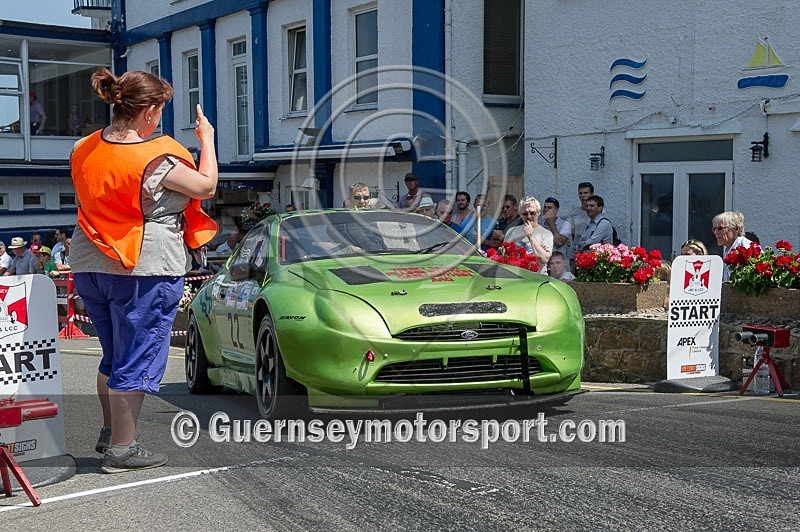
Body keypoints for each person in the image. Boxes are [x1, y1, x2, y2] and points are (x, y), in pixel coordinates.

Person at [70, 67, 218, 474]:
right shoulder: (157, 157)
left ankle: (109, 432)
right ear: (149, 111)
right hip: (144, 263)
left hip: (90, 259)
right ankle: (123, 449)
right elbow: (205, 186)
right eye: (160, 109)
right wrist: (206, 141)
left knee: (114, 355)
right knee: (137, 356)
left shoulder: (84, 147)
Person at [504, 196, 553, 274]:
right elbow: (504, 256)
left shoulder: (546, 234)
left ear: (538, 212)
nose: (529, 216)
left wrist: (531, 236)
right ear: (520, 214)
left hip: (537, 278)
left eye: (532, 213)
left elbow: (544, 259)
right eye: (525, 214)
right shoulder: (511, 231)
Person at [712, 211, 752, 282]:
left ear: (736, 229)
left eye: (720, 228)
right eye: (714, 229)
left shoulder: (747, 247)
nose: (715, 232)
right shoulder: (726, 248)